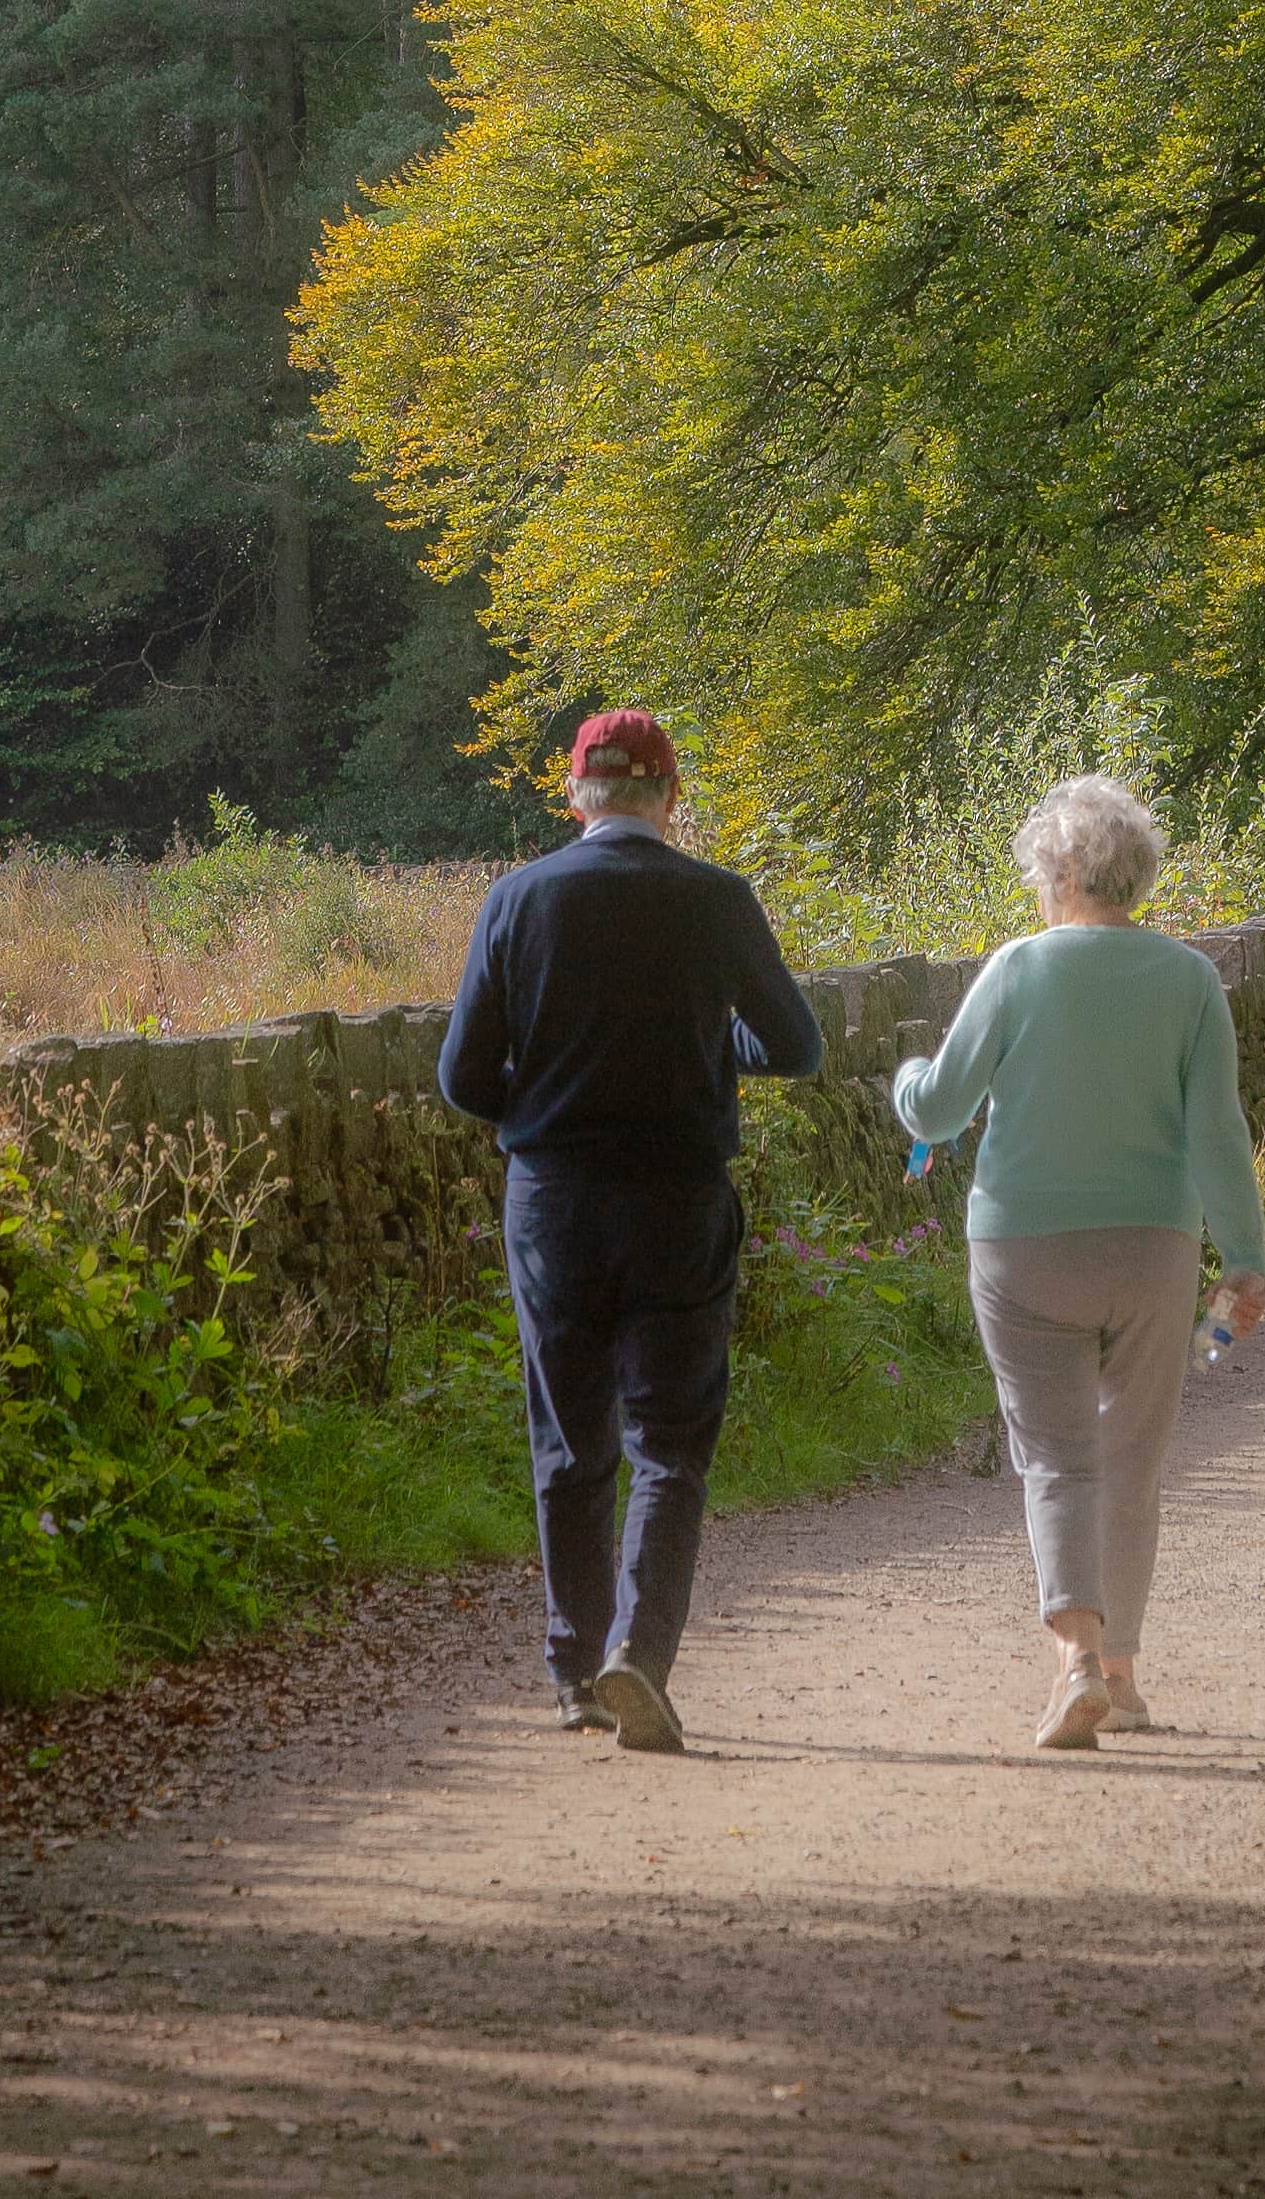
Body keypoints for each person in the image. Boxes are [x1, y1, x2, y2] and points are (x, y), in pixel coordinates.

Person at [436, 707, 823, 1752]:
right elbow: (794, 1043)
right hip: (677, 1196)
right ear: (669, 797)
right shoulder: (715, 899)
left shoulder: (517, 898)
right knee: (669, 1440)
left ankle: (571, 1672)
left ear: (576, 795)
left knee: (570, 1438)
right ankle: (638, 1654)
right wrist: (710, 1049)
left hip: (553, 1198)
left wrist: (554, 1080)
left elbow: (463, 1076)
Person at [890, 772, 1265, 1753]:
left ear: (1057, 871)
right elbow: (1216, 1132)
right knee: (1132, 1459)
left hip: (1021, 1246)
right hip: (1152, 1245)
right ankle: (1126, 1675)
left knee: (1055, 1455)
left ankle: (1077, 1664)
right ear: (1132, 874)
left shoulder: (1017, 968)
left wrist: (904, 1084)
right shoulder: (1188, 979)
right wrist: (1247, 1254)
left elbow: (937, 1110)